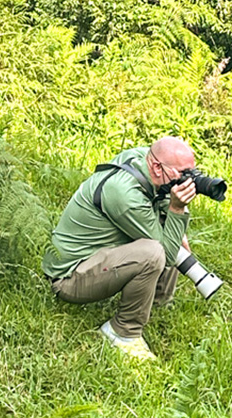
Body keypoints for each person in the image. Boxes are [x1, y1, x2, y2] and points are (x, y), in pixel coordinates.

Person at [43, 136, 200, 361]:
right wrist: (177, 209)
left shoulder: (142, 158)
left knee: (167, 230)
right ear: (157, 167)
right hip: (68, 278)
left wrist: (172, 210)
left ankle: (157, 302)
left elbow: (161, 201)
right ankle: (123, 331)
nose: (189, 182)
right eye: (182, 174)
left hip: (97, 260)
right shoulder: (123, 194)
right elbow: (165, 254)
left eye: (191, 173)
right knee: (155, 252)